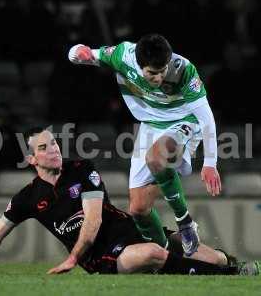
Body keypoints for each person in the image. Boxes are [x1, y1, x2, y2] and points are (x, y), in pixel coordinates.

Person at [0, 129, 261, 275]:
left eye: (54, 143)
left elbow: (93, 222)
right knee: (153, 253)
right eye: (44, 148)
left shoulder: (81, 170)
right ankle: (226, 276)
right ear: (31, 159)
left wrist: (69, 258)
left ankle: (231, 267)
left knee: (201, 253)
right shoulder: (27, 198)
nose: (54, 149)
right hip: (100, 256)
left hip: (126, 231)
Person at [68, 34, 221, 255]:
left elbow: (206, 117)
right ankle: (166, 258)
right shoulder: (122, 56)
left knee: (156, 158)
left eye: (162, 71)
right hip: (150, 126)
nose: (158, 78)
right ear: (139, 65)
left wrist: (210, 162)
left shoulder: (184, 70)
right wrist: (79, 53)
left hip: (184, 121)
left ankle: (185, 222)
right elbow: (79, 53)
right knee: (139, 209)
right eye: (152, 73)